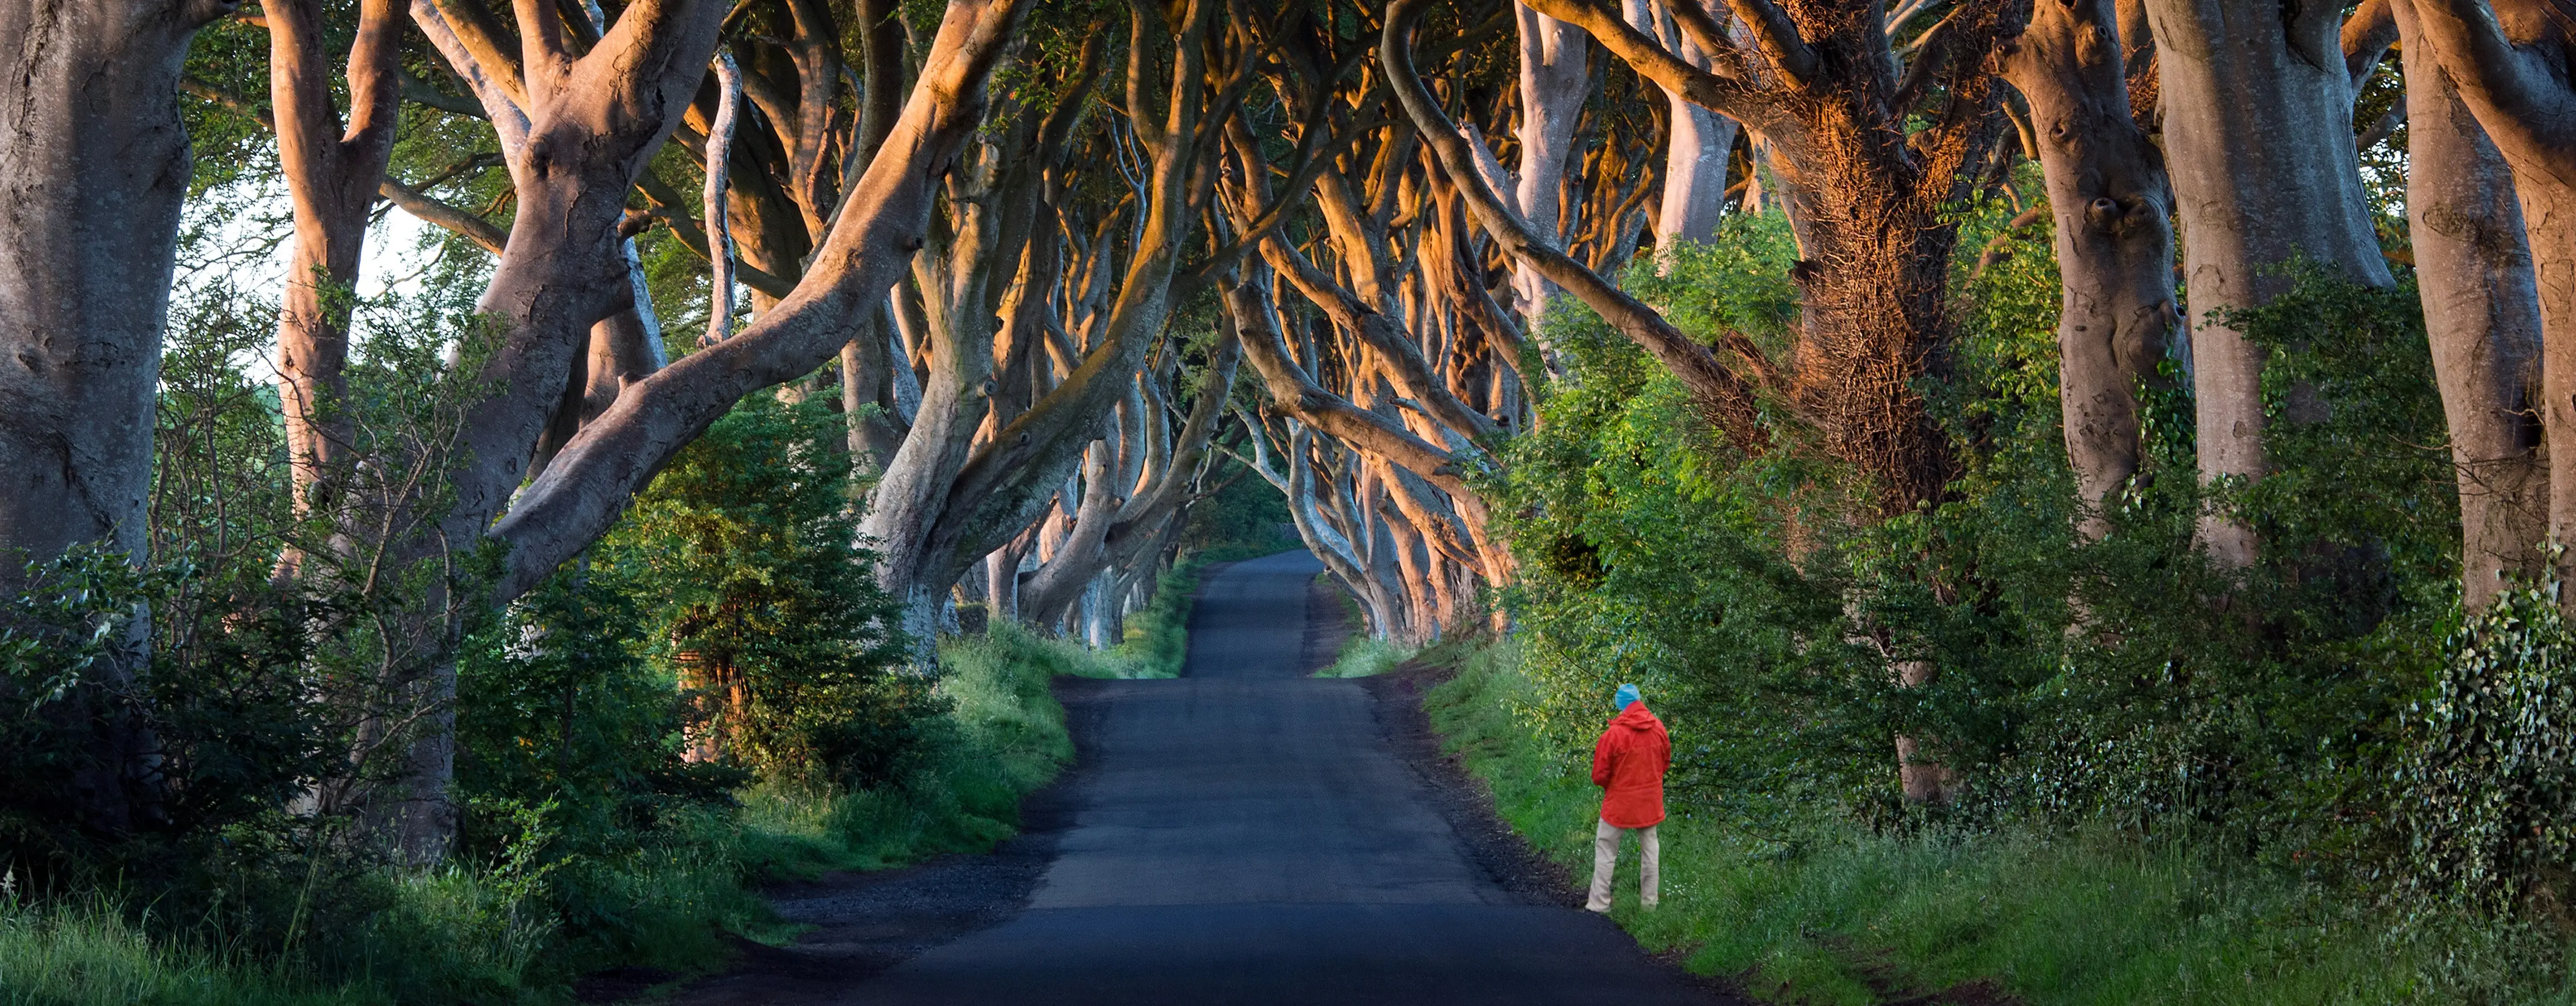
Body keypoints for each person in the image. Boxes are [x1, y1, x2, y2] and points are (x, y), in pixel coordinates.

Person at [1587, 682, 1670, 913]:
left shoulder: (1613, 735)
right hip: (1649, 803)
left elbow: (1599, 775)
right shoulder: (1659, 728)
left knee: (1606, 850)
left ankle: (1599, 904)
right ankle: (1649, 906)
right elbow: (1664, 763)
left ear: (1621, 704)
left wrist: (1613, 785)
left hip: (1619, 804)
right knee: (1651, 852)